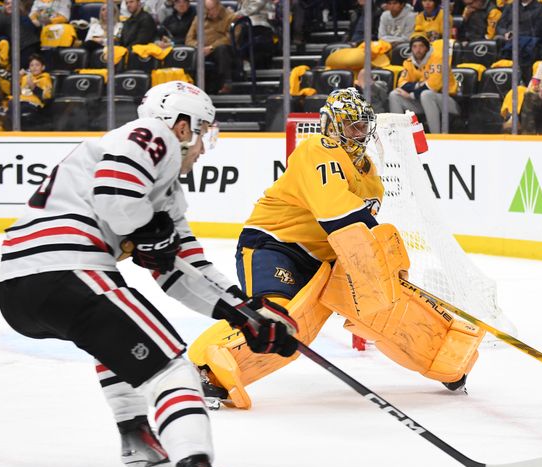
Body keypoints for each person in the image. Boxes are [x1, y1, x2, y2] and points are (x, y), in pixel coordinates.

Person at [0, 81, 298, 467]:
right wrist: (148, 229)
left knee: (114, 343)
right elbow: (117, 200)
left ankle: (140, 444)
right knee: (172, 367)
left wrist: (244, 312)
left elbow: (181, 271)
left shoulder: (165, 190)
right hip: (66, 267)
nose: (203, 147)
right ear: (182, 124)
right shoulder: (151, 138)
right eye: (203, 132)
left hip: (21, 289)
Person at [187, 88, 484, 410]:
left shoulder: (371, 178)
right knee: (279, 316)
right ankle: (202, 369)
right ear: (331, 126)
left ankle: (444, 358)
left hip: (329, 260)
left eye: (361, 127)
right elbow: (338, 216)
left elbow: (355, 236)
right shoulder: (317, 149)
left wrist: (386, 273)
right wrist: (384, 257)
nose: (357, 134)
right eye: (349, 126)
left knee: (385, 308)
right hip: (275, 245)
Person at [388, 34, 458, 133]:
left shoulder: (438, 58)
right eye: (415, 46)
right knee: (395, 94)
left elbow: (433, 86)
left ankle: (437, 136)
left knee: (426, 94)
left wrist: (412, 94)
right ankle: (400, 135)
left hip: (447, 100)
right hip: (423, 100)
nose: (418, 49)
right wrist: (418, 85)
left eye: (421, 46)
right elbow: (401, 84)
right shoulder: (408, 62)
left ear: (427, 48)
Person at [186, 0, 235, 94]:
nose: (210, 12)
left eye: (212, 9)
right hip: (201, 49)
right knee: (189, 53)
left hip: (220, 49)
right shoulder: (199, 18)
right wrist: (199, 47)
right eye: (207, 9)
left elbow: (230, 38)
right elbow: (189, 39)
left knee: (222, 49)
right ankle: (191, 87)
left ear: (219, 6)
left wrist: (212, 47)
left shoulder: (231, 17)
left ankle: (226, 82)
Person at [494, 0, 542, 81]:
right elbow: (499, 26)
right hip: (508, 41)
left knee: (532, 44)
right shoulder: (510, 7)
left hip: (528, 43)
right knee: (498, 40)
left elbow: (539, 31)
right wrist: (505, 33)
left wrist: (517, 35)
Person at [2, 52, 53, 130]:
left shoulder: (45, 79)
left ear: (43, 67)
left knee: (17, 110)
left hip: (33, 104)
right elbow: (17, 92)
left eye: (37, 65)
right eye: (31, 65)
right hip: (20, 101)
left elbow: (46, 97)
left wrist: (33, 87)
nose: (34, 67)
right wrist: (17, 78)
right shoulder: (25, 78)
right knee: (10, 106)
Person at [234, 0, 276, 69]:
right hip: (245, 25)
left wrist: (232, 15)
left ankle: (244, 60)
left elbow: (251, 9)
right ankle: (241, 61)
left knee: (245, 33)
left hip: (261, 24)